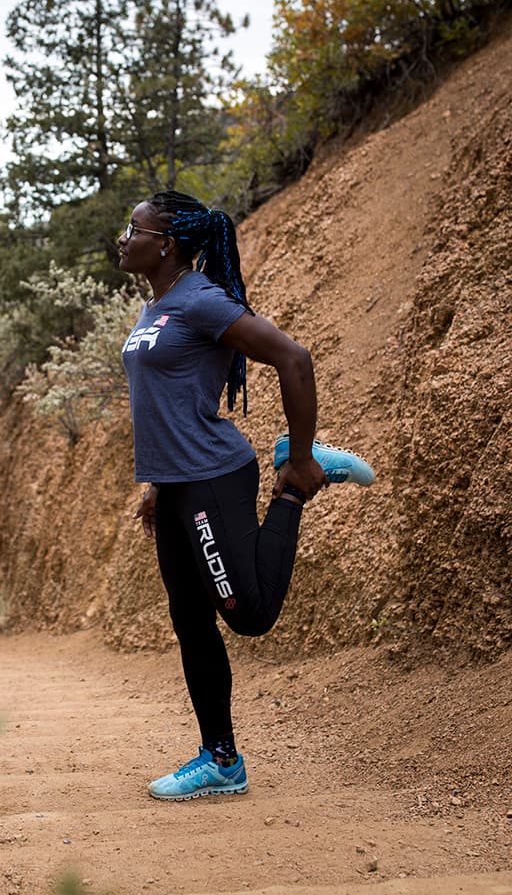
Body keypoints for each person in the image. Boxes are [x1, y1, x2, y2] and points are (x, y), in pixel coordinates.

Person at [118, 190, 373, 802]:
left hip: (214, 475)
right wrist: (158, 484)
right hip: (178, 486)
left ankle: (297, 479)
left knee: (248, 615)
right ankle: (222, 759)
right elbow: (171, 403)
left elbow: (293, 357)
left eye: (134, 228)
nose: (123, 238)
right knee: (191, 622)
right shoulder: (159, 305)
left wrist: (305, 453)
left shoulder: (201, 300)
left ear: (167, 243)